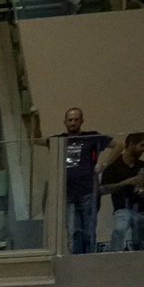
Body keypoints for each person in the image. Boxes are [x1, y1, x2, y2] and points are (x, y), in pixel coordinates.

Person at [56, 109, 110, 256]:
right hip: (68, 193)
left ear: (81, 121)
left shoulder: (90, 137)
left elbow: (118, 146)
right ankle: (76, 262)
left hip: (88, 191)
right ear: (65, 122)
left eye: (76, 120)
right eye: (70, 120)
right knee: (73, 232)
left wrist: (103, 165)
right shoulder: (59, 140)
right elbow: (36, 140)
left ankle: (89, 261)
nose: (73, 123)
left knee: (88, 232)